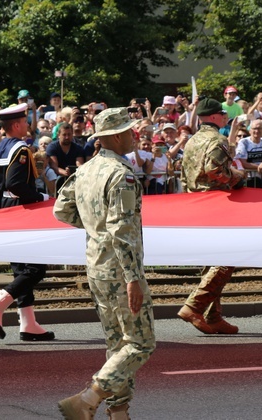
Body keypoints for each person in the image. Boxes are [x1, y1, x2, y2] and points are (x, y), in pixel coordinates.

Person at [53, 107, 155, 420]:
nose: (134, 135)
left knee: (117, 345)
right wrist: (133, 277)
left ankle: (119, 413)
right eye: (128, 130)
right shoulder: (120, 175)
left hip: (97, 267)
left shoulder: (86, 169)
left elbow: (61, 209)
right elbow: (122, 233)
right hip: (119, 271)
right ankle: (89, 396)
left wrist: (94, 229)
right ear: (113, 136)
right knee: (140, 343)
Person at [0, 103, 54, 341]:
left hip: (7, 210)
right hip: (22, 210)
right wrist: (42, 197)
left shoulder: (0, 148)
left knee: (21, 268)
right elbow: (15, 184)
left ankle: (28, 323)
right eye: (25, 121)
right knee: (35, 268)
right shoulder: (20, 149)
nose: (28, 125)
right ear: (18, 124)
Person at [177, 97, 245, 334]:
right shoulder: (217, 139)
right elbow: (215, 170)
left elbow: (185, 174)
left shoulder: (192, 140)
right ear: (215, 117)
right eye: (223, 114)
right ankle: (194, 306)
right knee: (227, 258)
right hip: (216, 205)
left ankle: (213, 315)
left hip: (194, 203)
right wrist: (236, 177)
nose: (226, 117)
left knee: (212, 261)